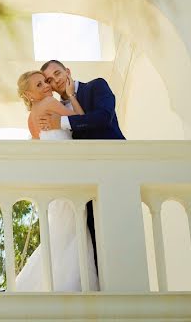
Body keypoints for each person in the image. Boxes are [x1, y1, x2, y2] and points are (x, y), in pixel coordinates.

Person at [13, 71, 99, 292]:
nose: (46, 86)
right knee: (73, 230)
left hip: (53, 179)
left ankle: (51, 284)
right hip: (69, 176)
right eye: (39, 84)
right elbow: (80, 119)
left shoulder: (31, 118)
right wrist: (71, 95)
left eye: (45, 81)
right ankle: (72, 285)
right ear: (29, 94)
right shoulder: (50, 102)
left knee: (62, 233)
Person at [39, 59, 126, 275]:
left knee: (121, 234)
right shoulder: (57, 108)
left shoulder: (97, 85)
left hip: (115, 169)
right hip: (86, 184)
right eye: (49, 80)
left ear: (68, 71)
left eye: (57, 73)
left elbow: (104, 118)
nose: (55, 81)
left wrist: (63, 123)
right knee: (94, 242)